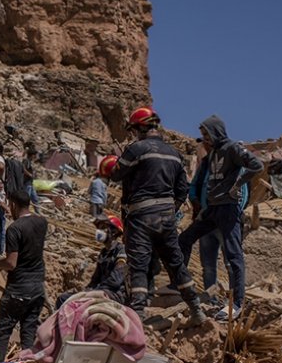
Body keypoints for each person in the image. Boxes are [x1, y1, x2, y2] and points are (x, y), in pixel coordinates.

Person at [109, 107, 206, 326]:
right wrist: (171, 209)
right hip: (166, 217)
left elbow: (115, 175)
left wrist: (119, 157)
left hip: (140, 217)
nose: (134, 134)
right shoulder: (175, 154)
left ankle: (138, 317)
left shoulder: (136, 149)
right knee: (176, 263)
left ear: (141, 127)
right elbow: (183, 189)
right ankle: (196, 309)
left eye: (134, 130)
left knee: (139, 265)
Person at [178, 116, 263, 321]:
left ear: (217, 132)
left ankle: (238, 303)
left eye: (207, 134)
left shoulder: (232, 148)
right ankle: (178, 285)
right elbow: (197, 183)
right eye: (203, 135)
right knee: (184, 239)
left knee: (233, 256)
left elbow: (256, 166)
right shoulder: (212, 154)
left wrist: (236, 184)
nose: (205, 139)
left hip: (228, 209)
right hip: (212, 209)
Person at [0, 190, 47, 363]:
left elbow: (11, 263)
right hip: (37, 288)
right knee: (28, 331)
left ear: (13, 204)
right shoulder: (42, 222)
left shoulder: (14, 229)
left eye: (9, 205)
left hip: (18, 290)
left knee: (3, 331)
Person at [189, 137, 249, 307]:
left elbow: (242, 195)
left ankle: (235, 302)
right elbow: (193, 187)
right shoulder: (206, 167)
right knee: (208, 265)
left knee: (231, 263)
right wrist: (194, 201)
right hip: (207, 222)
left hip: (226, 223)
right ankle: (211, 300)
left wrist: (232, 214)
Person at [55, 214, 127, 308]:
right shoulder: (103, 253)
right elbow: (95, 279)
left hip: (114, 294)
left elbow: (115, 280)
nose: (99, 231)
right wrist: (86, 291)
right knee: (63, 298)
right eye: (99, 228)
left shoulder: (121, 250)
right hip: (100, 291)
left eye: (103, 228)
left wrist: (94, 291)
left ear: (114, 232)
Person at [22, 148, 41, 212]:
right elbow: (23, 168)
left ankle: (38, 212)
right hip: (27, 183)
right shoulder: (26, 161)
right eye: (35, 155)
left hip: (30, 183)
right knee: (26, 199)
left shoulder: (29, 161)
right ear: (32, 155)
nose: (35, 156)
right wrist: (30, 174)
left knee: (35, 199)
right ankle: (24, 211)